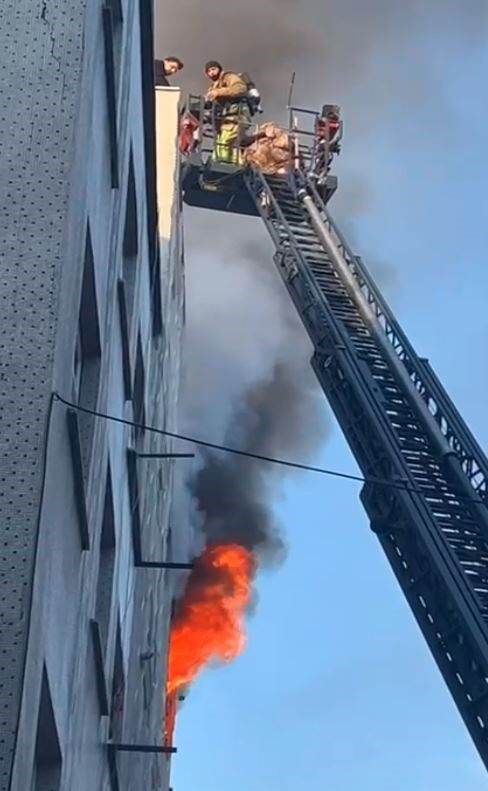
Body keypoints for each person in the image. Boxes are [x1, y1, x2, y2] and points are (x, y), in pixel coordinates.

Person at [204, 61, 250, 164]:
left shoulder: (229, 77)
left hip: (236, 117)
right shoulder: (213, 86)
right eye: (209, 71)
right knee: (223, 144)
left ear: (219, 69)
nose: (211, 72)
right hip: (224, 121)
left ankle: (226, 164)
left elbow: (240, 88)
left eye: (213, 69)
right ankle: (232, 164)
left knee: (226, 142)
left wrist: (219, 92)